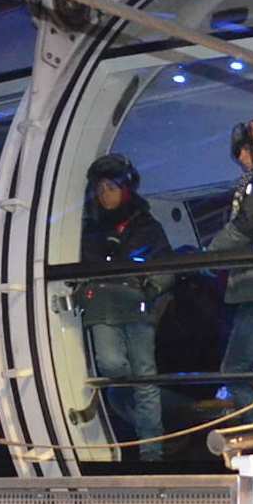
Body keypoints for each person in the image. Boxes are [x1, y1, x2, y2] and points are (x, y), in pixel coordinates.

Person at [77, 153, 171, 459]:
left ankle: (151, 452)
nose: (105, 195)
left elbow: (166, 264)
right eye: (101, 189)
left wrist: (152, 287)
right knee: (112, 366)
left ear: (126, 189)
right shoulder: (89, 228)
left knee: (145, 379)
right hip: (102, 306)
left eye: (111, 188)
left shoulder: (147, 225)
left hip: (137, 305)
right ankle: (144, 431)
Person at [208, 116, 253, 400]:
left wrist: (212, 253)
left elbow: (250, 223)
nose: (240, 158)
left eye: (243, 150)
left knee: (234, 371)